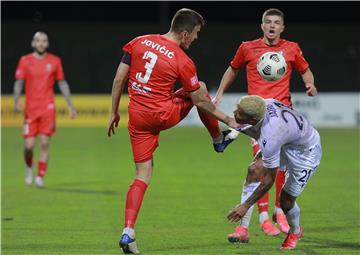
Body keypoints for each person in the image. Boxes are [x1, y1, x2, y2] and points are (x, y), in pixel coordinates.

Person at [107, 8, 239, 254]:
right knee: (197, 88)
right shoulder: (183, 60)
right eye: (196, 34)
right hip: (161, 114)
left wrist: (113, 112)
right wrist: (227, 119)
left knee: (142, 174)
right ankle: (218, 140)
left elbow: (118, 79)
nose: (196, 39)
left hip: (136, 116)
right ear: (185, 33)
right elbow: (200, 100)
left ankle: (128, 231)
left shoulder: (139, 41)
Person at [213, 8, 318, 242]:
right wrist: (219, 94)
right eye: (268, 22)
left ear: (282, 28)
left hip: (284, 118)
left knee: (277, 169)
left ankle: (277, 213)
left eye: (276, 23)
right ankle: (258, 220)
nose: (272, 26)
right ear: (262, 26)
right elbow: (232, 69)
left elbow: (305, 70)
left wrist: (310, 84)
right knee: (260, 168)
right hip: (258, 118)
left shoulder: (291, 48)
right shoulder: (247, 48)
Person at [227, 95, 322, 250]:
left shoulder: (270, 136)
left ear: (252, 119)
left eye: (239, 111)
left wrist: (245, 205)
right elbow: (229, 120)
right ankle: (243, 229)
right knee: (254, 170)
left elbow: (268, 181)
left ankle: (295, 231)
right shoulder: (266, 103)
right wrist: (199, 100)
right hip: (287, 142)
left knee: (286, 200)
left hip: (305, 153)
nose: (234, 111)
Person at [13, 32, 77, 188]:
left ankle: (40, 176)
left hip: (48, 108)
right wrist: (16, 101)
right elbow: (19, 83)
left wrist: (70, 105)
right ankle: (29, 167)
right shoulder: (25, 60)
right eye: (38, 40)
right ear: (33, 43)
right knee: (28, 146)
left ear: (47, 44)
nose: (41, 43)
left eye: (44, 41)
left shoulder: (55, 61)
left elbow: (62, 83)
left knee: (44, 144)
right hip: (30, 109)